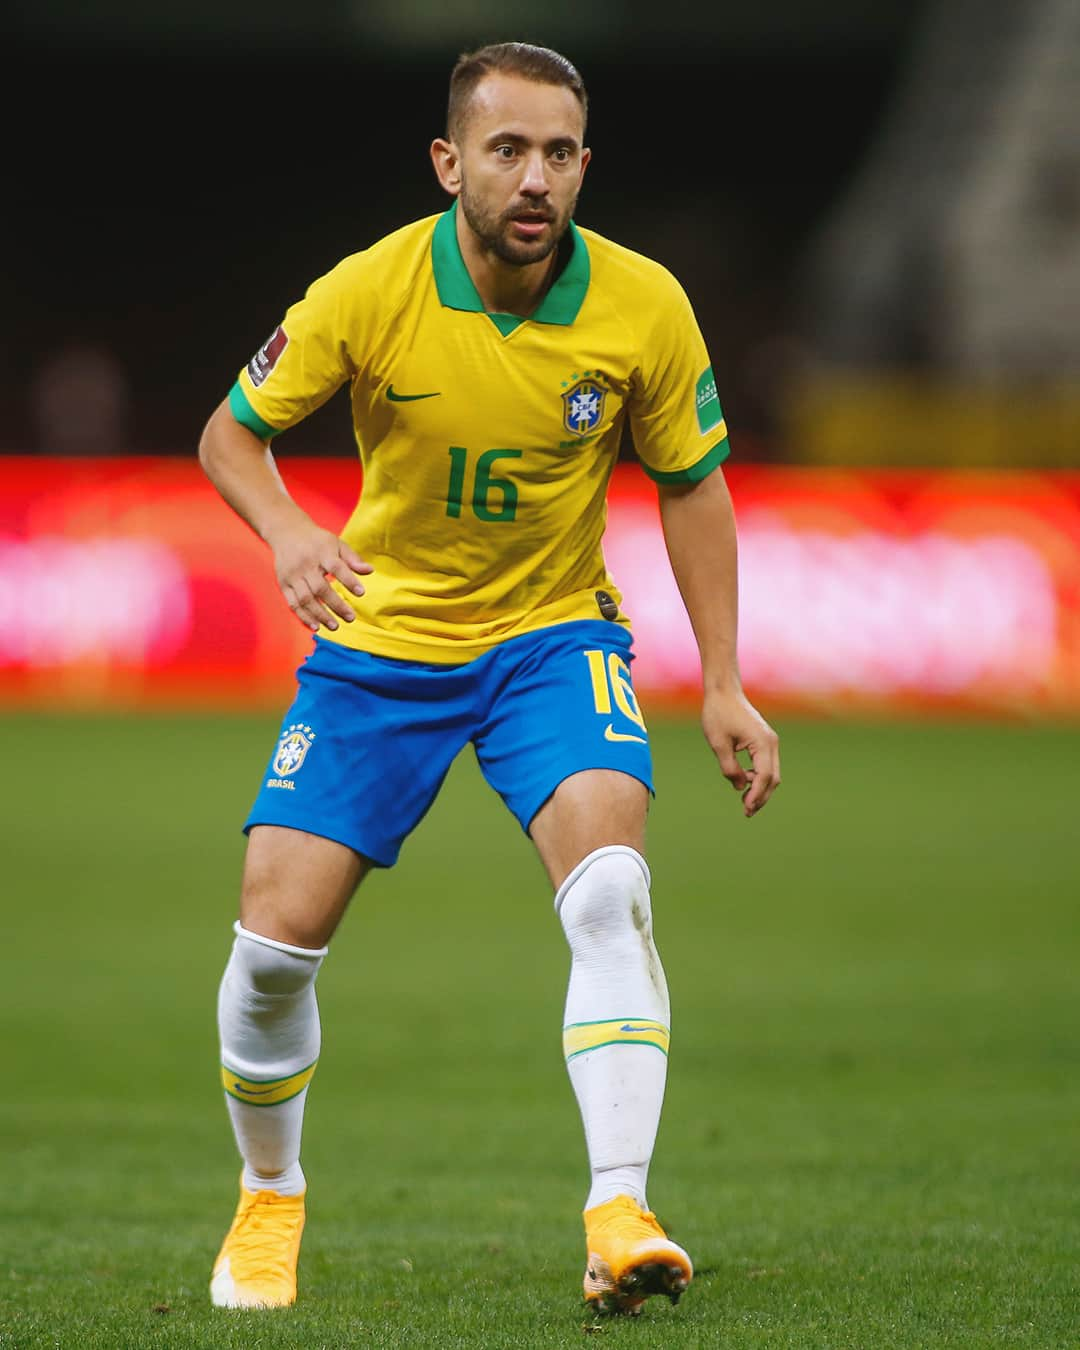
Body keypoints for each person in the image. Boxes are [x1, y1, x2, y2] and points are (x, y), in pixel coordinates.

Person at [197, 40, 780, 1319]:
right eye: (508, 150)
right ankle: (269, 1195)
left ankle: (619, 1211)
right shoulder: (370, 289)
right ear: (449, 161)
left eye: (560, 152)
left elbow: (693, 483)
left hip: (552, 640)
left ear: (585, 165)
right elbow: (229, 434)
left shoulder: (644, 305)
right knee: (271, 954)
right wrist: (295, 535)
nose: (536, 179)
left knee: (611, 890)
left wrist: (723, 679)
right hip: (381, 640)